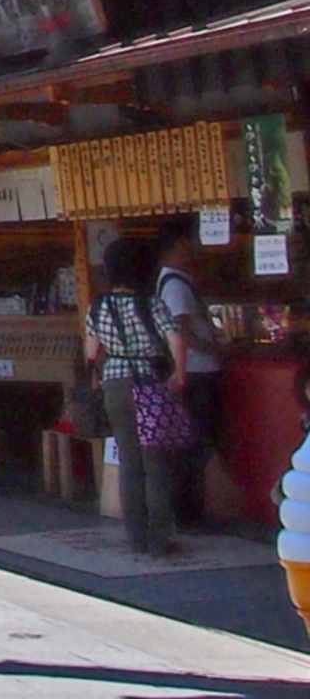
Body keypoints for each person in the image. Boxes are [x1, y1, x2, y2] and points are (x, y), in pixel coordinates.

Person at [85, 237, 189, 556]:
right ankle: (161, 539)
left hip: (114, 383)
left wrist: (97, 375)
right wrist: (179, 373)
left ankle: (136, 537)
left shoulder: (99, 306)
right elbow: (176, 339)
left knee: (129, 461)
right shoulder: (151, 303)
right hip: (148, 382)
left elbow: (90, 350)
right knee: (155, 463)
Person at [155, 218, 223, 528]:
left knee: (193, 442)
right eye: (190, 243)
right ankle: (189, 514)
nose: (194, 249)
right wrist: (211, 350)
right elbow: (179, 330)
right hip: (196, 371)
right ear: (178, 246)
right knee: (195, 443)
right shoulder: (175, 286)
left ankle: (189, 511)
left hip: (195, 371)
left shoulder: (174, 282)